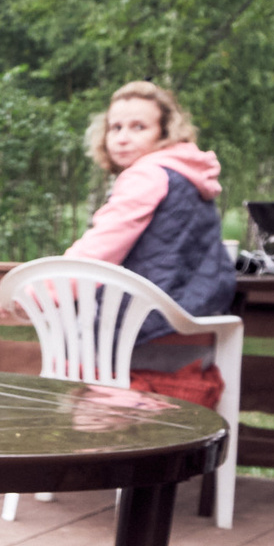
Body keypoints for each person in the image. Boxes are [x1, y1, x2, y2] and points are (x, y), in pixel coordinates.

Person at [65, 80, 239, 404]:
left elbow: (99, 249)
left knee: (101, 428)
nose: (122, 137)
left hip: (146, 338)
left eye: (138, 127)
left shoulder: (147, 175)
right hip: (189, 329)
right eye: (115, 127)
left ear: (163, 133)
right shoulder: (187, 178)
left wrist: (35, 291)